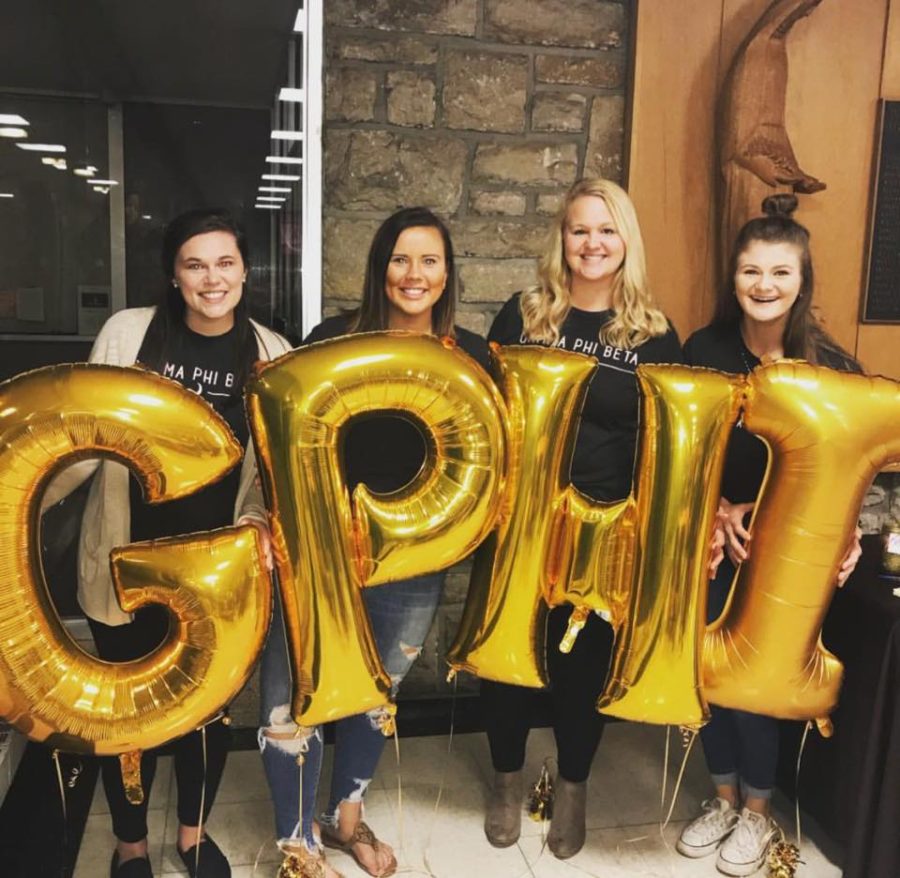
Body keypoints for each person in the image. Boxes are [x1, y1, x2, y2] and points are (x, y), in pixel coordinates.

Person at [43, 208, 290, 878]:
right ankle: (128, 846)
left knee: (206, 716)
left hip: (215, 575)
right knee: (128, 714)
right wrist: (22, 497)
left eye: (225, 263)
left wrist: (260, 522)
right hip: (123, 563)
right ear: (175, 276)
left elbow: (275, 473)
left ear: (245, 270)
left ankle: (191, 834)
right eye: (195, 264)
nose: (212, 278)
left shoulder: (273, 354)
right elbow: (79, 438)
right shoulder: (128, 333)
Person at [258, 206, 490, 878]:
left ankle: (344, 819)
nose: (413, 274)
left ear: (448, 274)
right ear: (378, 267)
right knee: (293, 689)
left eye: (429, 261)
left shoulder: (469, 356)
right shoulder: (333, 338)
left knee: (376, 693)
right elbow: (287, 445)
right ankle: (296, 845)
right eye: (400, 258)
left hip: (414, 563)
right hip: (320, 556)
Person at [481, 177, 683, 859]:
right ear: (561, 239)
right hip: (521, 521)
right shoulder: (524, 314)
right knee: (506, 660)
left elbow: (662, 449)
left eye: (606, 229)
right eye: (579, 229)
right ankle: (505, 780)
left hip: (603, 529)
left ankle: (573, 786)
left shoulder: (655, 334)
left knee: (582, 669)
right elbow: (486, 414)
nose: (592, 243)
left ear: (626, 240)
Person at [678, 194, 862, 877]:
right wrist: (720, 507)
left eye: (780, 273)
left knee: (759, 688)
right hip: (715, 546)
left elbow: (851, 465)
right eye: (752, 271)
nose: (764, 286)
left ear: (802, 281)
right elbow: (684, 455)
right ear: (734, 278)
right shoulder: (705, 350)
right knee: (706, 675)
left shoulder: (832, 365)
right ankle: (721, 798)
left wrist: (850, 538)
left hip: (791, 561)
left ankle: (757, 813)